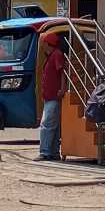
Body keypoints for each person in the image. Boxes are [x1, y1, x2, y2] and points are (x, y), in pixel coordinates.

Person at [37, 25, 66, 162]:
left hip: (54, 96)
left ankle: (45, 152)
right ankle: (53, 152)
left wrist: (62, 88)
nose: (43, 47)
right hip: (50, 96)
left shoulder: (56, 55)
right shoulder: (52, 56)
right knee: (53, 125)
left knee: (46, 124)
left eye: (45, 44)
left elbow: (62, 72)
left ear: (49, 44)